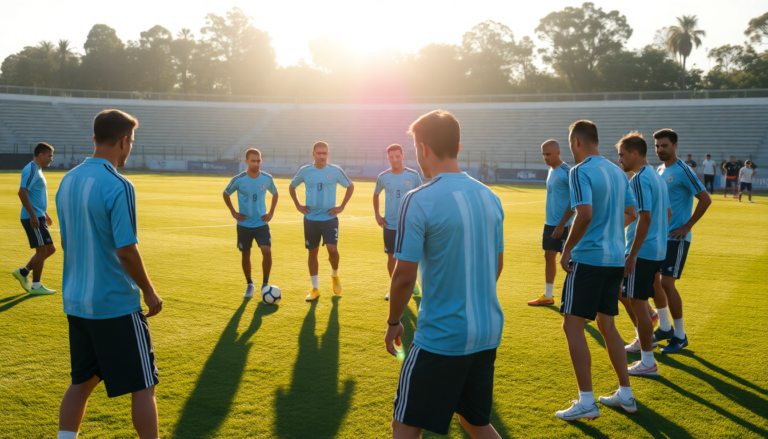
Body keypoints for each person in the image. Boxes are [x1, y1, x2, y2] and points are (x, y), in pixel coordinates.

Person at [385, 110, 505, 439]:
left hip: (442, 336)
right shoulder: (490, 197)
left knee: (404, 424)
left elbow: (404, 275)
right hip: (487, 331)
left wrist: (394, 321)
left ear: (422, 148)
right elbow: (498, 264)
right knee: (474, 421)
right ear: (458, 146)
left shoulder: (419, 198)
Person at [55, 109, 163, 439]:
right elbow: (126, 250)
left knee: (82, 382)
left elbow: (66, 241)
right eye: (131, 142)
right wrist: (148, 291)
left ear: (94, 139)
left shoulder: (67, 179)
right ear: (124, 141)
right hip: (114, 305)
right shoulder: (119, 184)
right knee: (144, 386)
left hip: (76, 302)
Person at [556, 120, 638, 421]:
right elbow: (631, 212)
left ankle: (587, 401)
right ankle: (626, 394)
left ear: (576, 142)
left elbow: (585, 213)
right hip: (614, 258)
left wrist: (566, 250)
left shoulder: (580, 170)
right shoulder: (618, 171)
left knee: (572, 326)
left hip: (589, 260)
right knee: (608, 326)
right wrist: (610, 230)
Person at [615, 132, 671, 377]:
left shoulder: (638, 180)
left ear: (634, 153)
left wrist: (633, 253)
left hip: (644, 252)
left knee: (637, 305)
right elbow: (667, 214)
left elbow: (644, 216)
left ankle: (648, 361)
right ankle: (646, 341)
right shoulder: (657, 176)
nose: (619, 160)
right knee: (637, 301)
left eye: (622, 154)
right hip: (657, 249)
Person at [653, 129, 711, 354]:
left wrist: (687, 226)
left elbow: (705, 199)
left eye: (664, 145)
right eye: (657, 146)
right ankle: (665, 328)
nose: (660, 150)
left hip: (676, 238)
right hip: (659, 237)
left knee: (667, 283)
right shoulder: (659, 170)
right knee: (655, 282)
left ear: (675, 146)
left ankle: (679, 335)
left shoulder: (683, 170)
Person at [289, 141, 355, 302]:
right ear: (313, 154)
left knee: (332, 250)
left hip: (329, 219)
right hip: (311, 219)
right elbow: (292, 186)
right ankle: (315, 288)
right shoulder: (305, 171)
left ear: (328, 154)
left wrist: (341, 206)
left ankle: (334, 274)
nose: (321, 156)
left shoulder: (335, 170)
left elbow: (350, 186)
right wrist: (298, 205)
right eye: (318, 153)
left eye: (324, 153)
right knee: (313, 252)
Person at [222, 148, 279, 298]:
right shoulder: (239, 179)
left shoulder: (267, 178)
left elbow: (275, 193)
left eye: (258, 161)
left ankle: (265, 284)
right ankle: (249, 284)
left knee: (267, 251)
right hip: (244, 226)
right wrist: (234, 212)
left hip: (261, 224)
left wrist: (271, 212)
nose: (256, 163)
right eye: (253, 161)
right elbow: (226, 193)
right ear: (246, 161)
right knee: (245, 254)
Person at [373, 144, 423, 300]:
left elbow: (421, 196)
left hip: (409, 224)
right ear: (388, 158)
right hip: (390, 224)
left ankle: (413, 282)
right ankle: (393, 287)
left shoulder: (413, 175)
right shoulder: (383, 177)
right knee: (391, 258)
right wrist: (377, 215)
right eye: (391, 157)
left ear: (403, 156)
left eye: (397, 156)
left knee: (410, 257)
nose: (394, 159)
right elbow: (376, 195)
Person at [528, 139, 573, 306]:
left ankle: (575, 299)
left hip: (565, 225)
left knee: (569, 262)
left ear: (558, 152)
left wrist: (562, 224)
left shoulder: (567, 172)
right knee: (549, 257)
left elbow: (575, 200)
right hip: (550, 223)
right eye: (543, 154)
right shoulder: (551, 170)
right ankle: (548, 295)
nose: (545, 157)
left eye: (548, 154)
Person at [12, 142, 57, 295]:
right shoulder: (31, 169)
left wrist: (44, 212)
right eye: (50, 155)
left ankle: (24, 272)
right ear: (41, 155)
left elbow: (34, 195)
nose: (52, 159)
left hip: (39, 215)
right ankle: (36, 286)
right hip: (32, 217)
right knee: (42, 250)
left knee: (50, 249)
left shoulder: (37, 170)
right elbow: (22, 192)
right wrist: (33, 215)